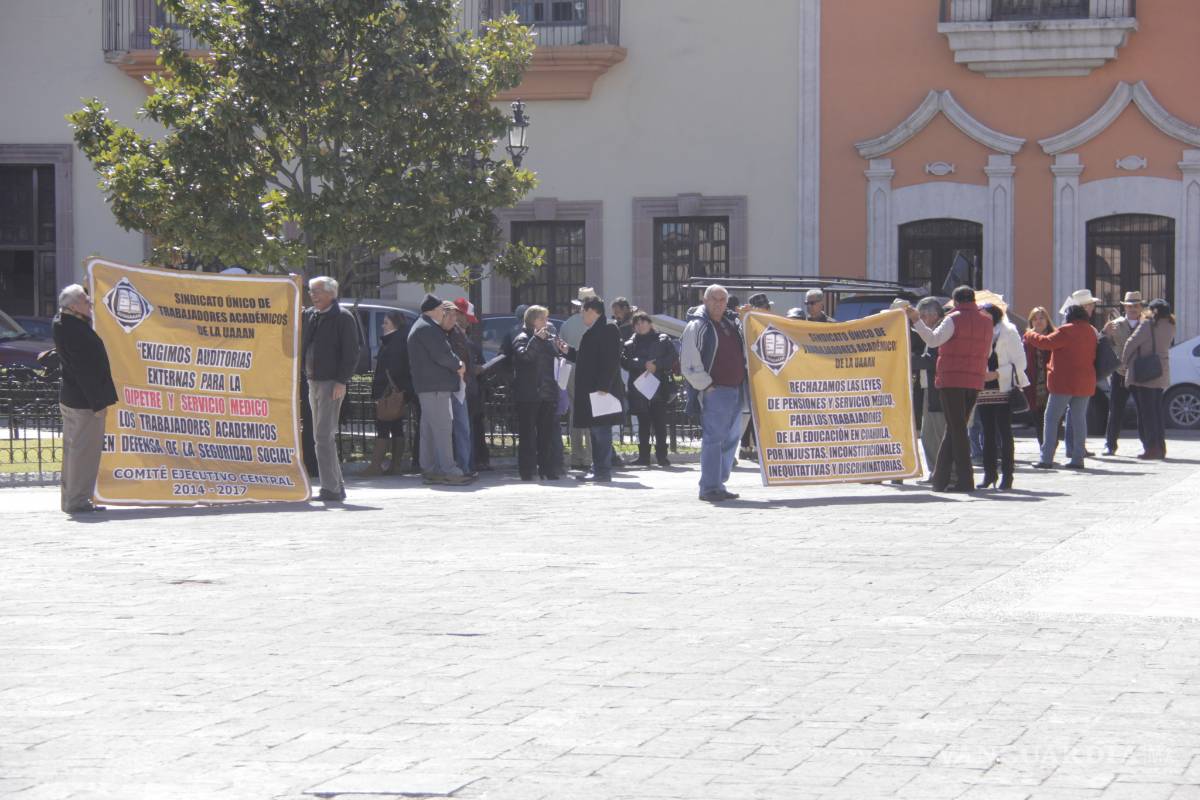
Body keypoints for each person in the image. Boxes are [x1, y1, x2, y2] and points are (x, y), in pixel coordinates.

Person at [905, 286, 993, 493]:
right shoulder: (986, 321)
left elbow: (933, 340)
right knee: (954, 428)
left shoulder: (953, 318)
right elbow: (987, 351)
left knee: (957, 430)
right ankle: (940, 479)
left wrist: (916, 320)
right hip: (974, 379)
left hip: (952, 379)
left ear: (954, 301)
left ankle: (965, 480)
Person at [53, 284, 118, 514]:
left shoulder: (64, 322)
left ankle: (70, 499)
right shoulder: (74, 329)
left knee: (73, 451)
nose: (90, 303)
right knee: (83, 454)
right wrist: (97, 403)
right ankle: (78, 501)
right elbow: (84, 370)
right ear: (72, 306)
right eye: (84, 300)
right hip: (84, 402)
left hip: (73, 398)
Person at [681, 284, 748, 502]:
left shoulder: (731, 323)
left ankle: (718, 483)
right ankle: (709, 487)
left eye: (722, 300)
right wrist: (706, 386)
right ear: (705, 300)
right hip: (716, 391)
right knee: (714, 439)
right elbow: (689, 361)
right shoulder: (698, 325)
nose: (719, 303)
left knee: (731, 439)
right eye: (714, 299)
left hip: (735, 389)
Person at [301, 276, 361, 502]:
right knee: (322, 436)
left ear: (331, 294)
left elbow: (351, 353)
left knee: (323, 435)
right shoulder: (311, 315)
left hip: (330, 383)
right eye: (310, 291)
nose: (313, 296)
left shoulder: (343, 317)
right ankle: (336, 486)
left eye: (317, 292)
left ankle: (330, 489)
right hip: (313, 380)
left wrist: (341, 381)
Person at [558, 296, 625, 483]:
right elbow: (586, 358)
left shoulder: (608, 328)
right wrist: (568, 351)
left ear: (591, 311)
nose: (581, 316)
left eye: (582, 312)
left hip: (601, 391)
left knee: (601, 432)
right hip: (592, 390)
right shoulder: (594, 330)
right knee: (596, 431)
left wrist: (603, 387)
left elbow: (611, 360)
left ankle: (602, 471)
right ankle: (598, 468)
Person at [407, 294, 472, 485]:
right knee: (443, 429)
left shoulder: (423, 326)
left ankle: (431, 469)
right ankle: (449, 470)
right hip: (435, 387)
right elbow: (443, 355)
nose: (444, 314)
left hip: (428, 386)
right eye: (442, 310)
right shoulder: (428, 328)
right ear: (434, 310)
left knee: (429, 430)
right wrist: (459, 364)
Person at [1025, 304, 1098, 470]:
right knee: (1079, 420)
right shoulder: (1091, 331)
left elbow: (1045, 343)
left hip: (1063, 382)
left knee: (1050, 419)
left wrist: (1030, 334)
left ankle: (1046, 458)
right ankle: (1078, 458)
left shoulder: (1066, 330)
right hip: (1085, 382)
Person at [975, 303, 1029, 490]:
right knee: (986, 433)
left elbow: (1020, 363)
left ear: (994, 315)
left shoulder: (1009, 332)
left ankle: (1008, 475)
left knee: (1004, 432)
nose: (983, 317)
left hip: (1003, 386)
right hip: (983, 388)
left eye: (986, 314)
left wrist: (998, 373)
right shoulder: (978, 333)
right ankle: (989, 474)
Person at [512, 305, 562, 481]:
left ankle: (548, 469)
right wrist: (535, 339)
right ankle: (527, 470)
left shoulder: (548, 338)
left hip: (547, 393)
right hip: (529, 395)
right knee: (527, 435)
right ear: (532, 321)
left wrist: (558, 347)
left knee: (546, 435)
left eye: (546, 319)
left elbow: (556, 358)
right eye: (542, 319)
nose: (546, 323)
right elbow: (525, 357)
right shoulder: (522, 338)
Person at [622, 310, 677, 467]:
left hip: (659, 387)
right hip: (639, 389)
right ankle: (643, 456)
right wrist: (642, 364)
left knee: (660, 423)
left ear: (650, 324)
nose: (640, 326)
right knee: (643, 424)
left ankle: (662, 456)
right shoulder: (630, 344)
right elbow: (625, 362)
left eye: (643, 322)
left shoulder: (662, 339)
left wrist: (656, 365)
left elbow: (672, 357)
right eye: (637, 324)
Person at [361, 310, 414, 476]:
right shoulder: (400, 340)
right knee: (396, 426)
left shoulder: (394, 342)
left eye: (386, 322)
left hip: (389, 391)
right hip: (399, 390)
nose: (382, 325)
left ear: (395, 324)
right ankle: (395, 465)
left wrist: (381, 392)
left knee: (383, 426)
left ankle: (376, 465)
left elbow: (391, 369)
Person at [1121, 298, 1174, 460]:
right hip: (1161, 372)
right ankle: (1160, 447)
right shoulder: (1171, 325)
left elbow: (1131, 343)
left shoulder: (1147, 325)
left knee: (1146, 413)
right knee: (1157, 412)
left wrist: (1123, 363)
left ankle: (1151, 448)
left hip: (1144, 374)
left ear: (1153, 311)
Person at [1101, 291, 1143, 455]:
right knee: (1116, 409)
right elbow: (1103, 343)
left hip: (1140, 372)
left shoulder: (1146, 324)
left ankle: (1146, 444)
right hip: (1120, 372)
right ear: (1125, 307)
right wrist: (1104, 333)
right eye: (1130, 306)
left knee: (1142, 409)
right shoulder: (1115, 324)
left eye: (1136, 305)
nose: (1133, 308)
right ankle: (1110, 444)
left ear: (1141, 307)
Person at [559, 287, 597, 470]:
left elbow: (561, 348)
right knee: (590, 413)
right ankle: (589, 456)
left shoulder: (567, 324)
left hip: (571, 369)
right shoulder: (595, 322)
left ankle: (576, 456)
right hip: (589, 370)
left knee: (575, 412)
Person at [440, 301, 476, 477]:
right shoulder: (439, 334)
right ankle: (449, 465)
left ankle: (465, 466)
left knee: (463, 428)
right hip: (445, 385)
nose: (455, 320)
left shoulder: (458, 334)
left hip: (460, 386)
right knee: (447, 428)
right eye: (451, 316)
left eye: (456, 315)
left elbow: (465, 359)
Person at [455, 298, 491, 471]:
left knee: (468, 428)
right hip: (463, 389)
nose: (469, 324)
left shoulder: (466, 340)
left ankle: (469, 464)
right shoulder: (458, 339)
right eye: (467, 319)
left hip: (470, 389)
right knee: (463, 429)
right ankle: (466, 466)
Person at [912, 297, 946, 477]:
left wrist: (910, 360)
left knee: (935, 434)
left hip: (937, 388)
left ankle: (940, 471)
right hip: (929, 387)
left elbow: (932, 361)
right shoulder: (932, 330)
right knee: (927, 435)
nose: (921, 321)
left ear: (932, 315)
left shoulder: (940, 330)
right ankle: (935, 471)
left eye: (922, 317)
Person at [1023, 306, 1056, 445]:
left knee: (1053, 417)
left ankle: (1051, 445)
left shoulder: (1054, 336)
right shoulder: (1027, 339)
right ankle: (1043, 447)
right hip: (1033, 383)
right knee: (1038, 417)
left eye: (1041, 318)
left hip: (1052, 382)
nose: (1038, 321)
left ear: (1047, 320)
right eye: (1035, 319)